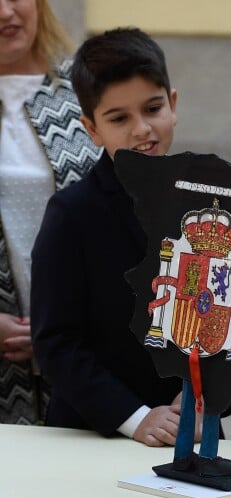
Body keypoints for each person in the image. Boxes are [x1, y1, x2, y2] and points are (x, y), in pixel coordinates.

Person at [30, 27, 192, 447]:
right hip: (92, 434)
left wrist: (207, 394)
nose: (142, 129)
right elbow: (56, 342)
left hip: (189, 428)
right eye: (119, 118)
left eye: (152, 108)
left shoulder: (207, 204)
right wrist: (135, 418)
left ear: (173, 105)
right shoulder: (71, 214)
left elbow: (226, 317)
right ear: (92, 128)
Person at [0, 0, 100, 424]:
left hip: (84, 348)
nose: (6, 12)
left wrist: (61, 327)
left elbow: (126, 213)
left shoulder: (89, 82)